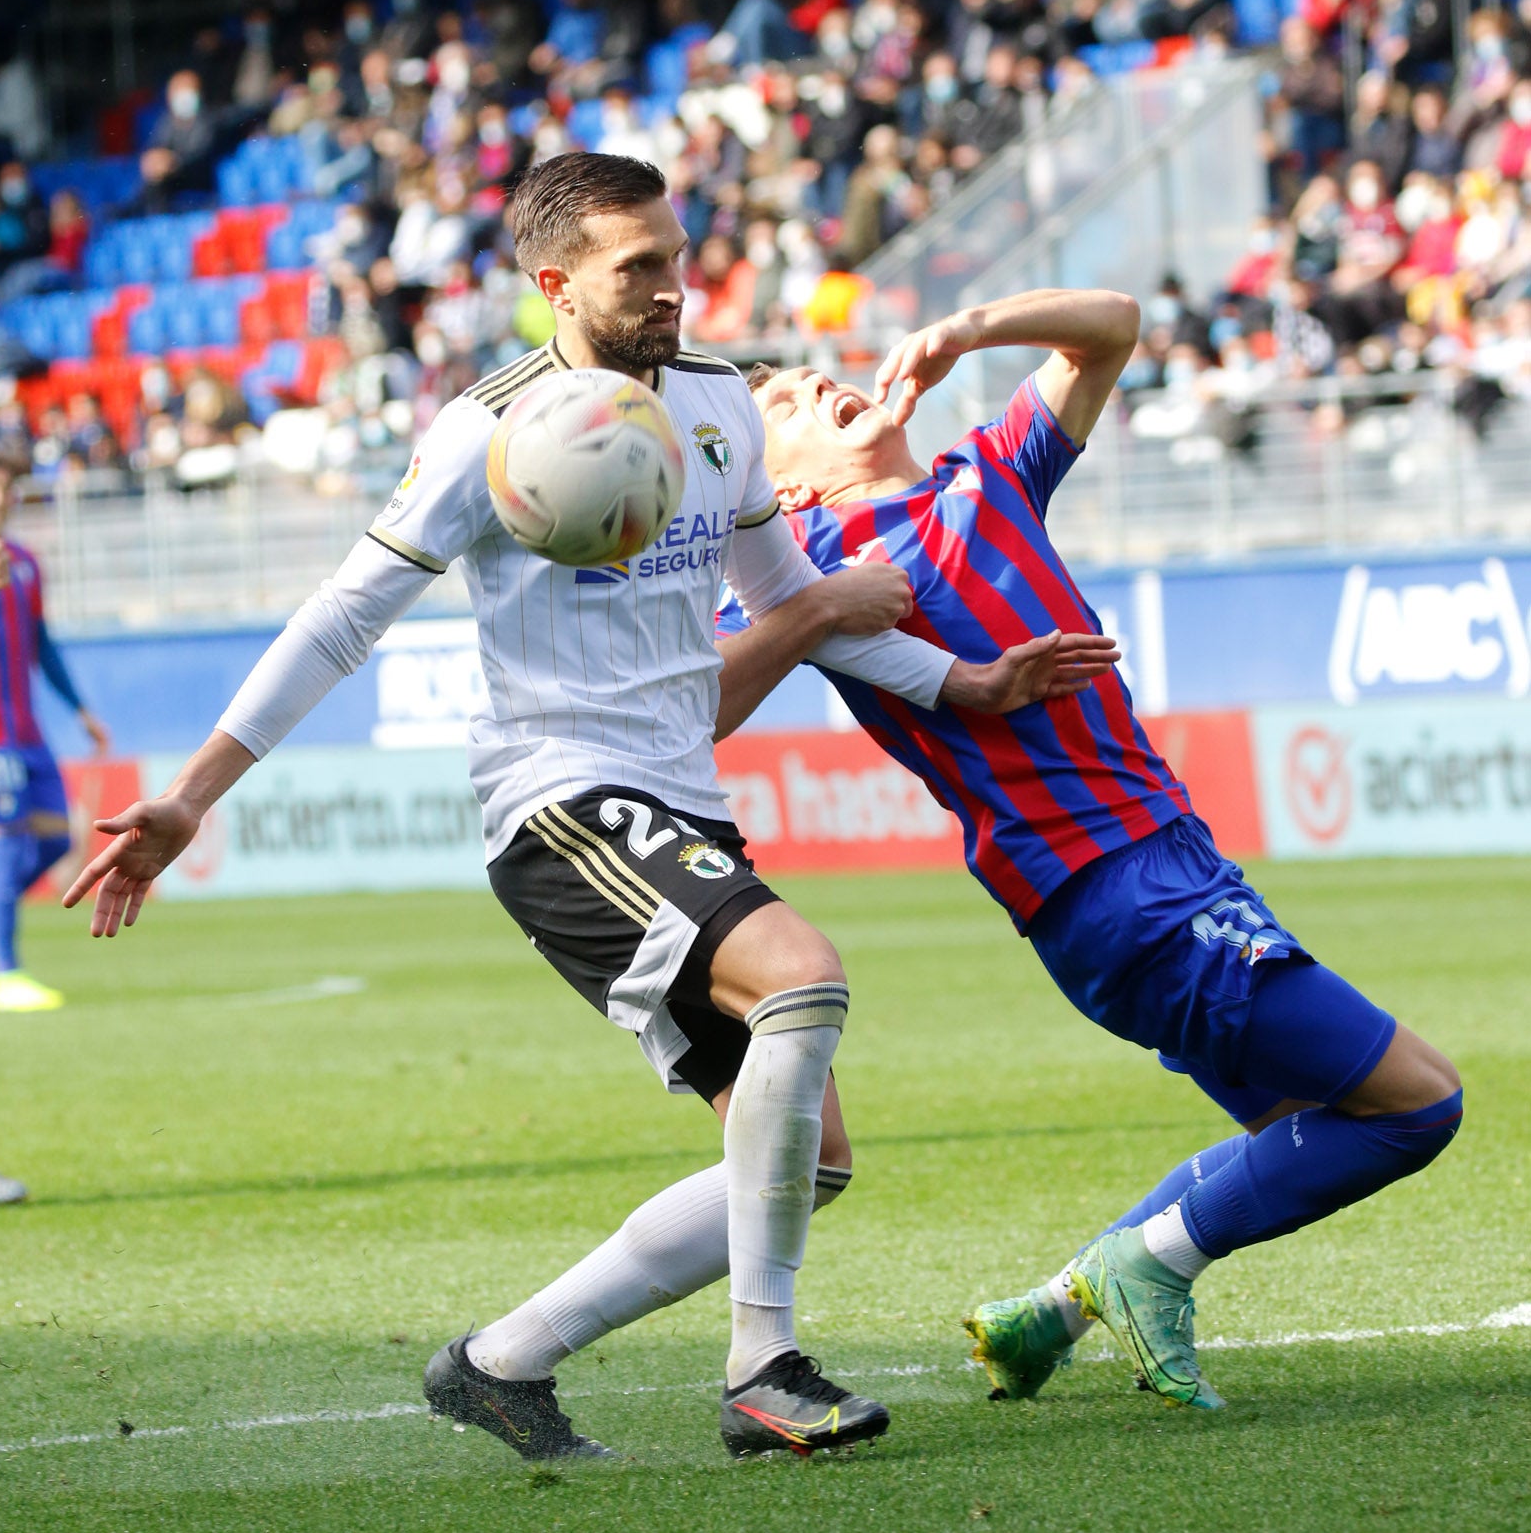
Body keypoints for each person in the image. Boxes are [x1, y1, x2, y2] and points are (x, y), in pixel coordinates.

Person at [63, 152, 1104, 1463]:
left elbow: (798, 604)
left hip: (677, 802)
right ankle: (760, 1367)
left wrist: (965, 680)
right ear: (555, 282)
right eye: (640, 268)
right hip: (557, 801)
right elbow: (342, 618)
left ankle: (502, 1362)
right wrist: (187, 797)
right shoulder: (486, 433)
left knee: (805, 1159)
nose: (674, 287)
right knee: (801, 978)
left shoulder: (718, 407)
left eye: (676, 256)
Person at [732, 290, 1463, 1410]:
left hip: (1166, 864)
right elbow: (726, 665)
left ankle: (1054, 1312)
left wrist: (971, 328)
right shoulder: (823, 575)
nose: (814, 386)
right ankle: (1141, 1266)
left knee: (1301, 1129)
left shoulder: (988, 473)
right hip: (1116, 888)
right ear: (782, 492)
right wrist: (806, 598)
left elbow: (1111, 327)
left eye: (805, 374)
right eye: (781, 403)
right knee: (1419, 1104)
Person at [0, 446, 110, 1012]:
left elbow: (40, 642)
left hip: (28, 726)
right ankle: (5, 974)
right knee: (8, 835)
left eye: (5, 489)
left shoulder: (25, 562)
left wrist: (79, 707)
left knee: (54, 841)